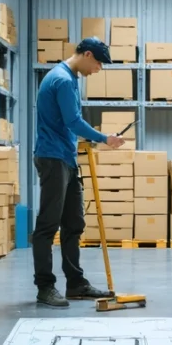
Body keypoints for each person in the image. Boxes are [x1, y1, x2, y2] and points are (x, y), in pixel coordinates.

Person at [32, 37, 126, 307]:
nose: (98, 69)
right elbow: (73, 121)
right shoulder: (61, 79)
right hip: (52, 158)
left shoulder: (69, 78)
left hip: (66, 157)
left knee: (74, 224)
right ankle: (45, 287)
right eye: (97, 63)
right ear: (86, 54)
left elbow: (66, 122)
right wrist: (103, 138)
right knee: (48, 225)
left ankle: (75, 284)